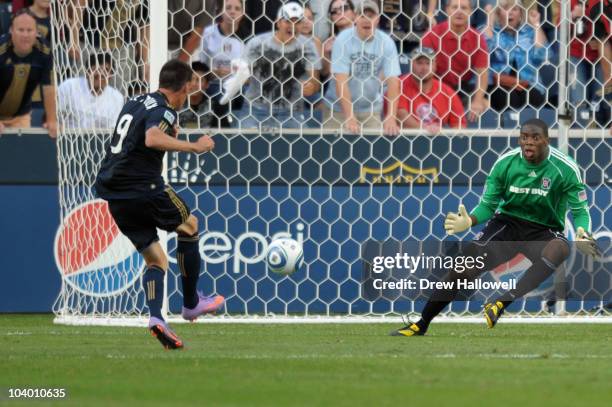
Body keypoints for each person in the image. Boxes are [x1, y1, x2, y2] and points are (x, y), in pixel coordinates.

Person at [391, 118, 600, 336]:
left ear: (546, 140)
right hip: (506, 225)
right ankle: (420, 324)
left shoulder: (565, 168)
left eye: (535, 138)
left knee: (560, 249)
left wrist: (581, 231)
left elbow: (580, 210)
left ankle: (500, 303)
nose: (528, 143)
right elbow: (488, 206)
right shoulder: (505, 163)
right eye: (524, 137)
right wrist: (470, 220)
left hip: (543, 230)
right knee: (462, 269)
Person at [94, 59, 224, 349]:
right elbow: (152, 138)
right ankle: (191, 303)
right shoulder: (165, 109)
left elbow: (138, 133)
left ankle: (156, 319)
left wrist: (169, 131)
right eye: (193, 85)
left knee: (156, 259)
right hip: (144, 186)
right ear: (186, 86)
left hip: (115, 192)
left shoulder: (135, 101)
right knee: (190, 225)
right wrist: (195, 146)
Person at [236, 2, 320, 129]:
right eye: (287, 21)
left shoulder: (308, 47)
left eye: (297, 22)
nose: (292, 26)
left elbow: (315, 82)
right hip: (255, 111)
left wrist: (311, 86)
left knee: (304, 146)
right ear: (278, 22)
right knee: (244, 144)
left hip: (292, 112)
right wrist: (240, 74)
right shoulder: (257, 44)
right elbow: (244, 77)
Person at [322, 0, 401, 135]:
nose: (366, 20)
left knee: (372, 153)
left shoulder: (387, 43)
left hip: (371, 110)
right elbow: (341, 81)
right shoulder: (343, 39)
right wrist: (349, 116)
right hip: (337, 109)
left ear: (378, 19)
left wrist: (391, 117)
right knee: (334, 153)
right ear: (355, 18)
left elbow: (393, 81)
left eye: (371, 16)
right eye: (362, 15)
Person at [422, 0, 489, 122]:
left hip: (462, 88)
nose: (459, 12)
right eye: (454, 7)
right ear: (447, 10)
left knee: (485, 104)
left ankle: (468, 139)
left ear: (470, 12)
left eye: (464, 8)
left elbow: (482, 73)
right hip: (436, 86)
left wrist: (477, 101)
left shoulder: (477, 38)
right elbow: (424, 72)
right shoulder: (431, 35)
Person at [482, 0, 549, 111]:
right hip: (499, 85)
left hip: (527, 84)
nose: (510, 13)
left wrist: (536, 24)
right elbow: (483, 51)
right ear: (498, 14)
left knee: (536, 99)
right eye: (506, 9)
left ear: (520, 15)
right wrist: (490, 20)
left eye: (514, 9)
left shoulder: (529, 32)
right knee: (509, 99)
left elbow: (542, 55)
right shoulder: (491, 31)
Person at [0, 9, 56, 137]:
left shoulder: (45, 51)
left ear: (37, 32)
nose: (25, 35)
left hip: (21, 117)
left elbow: (49, 88)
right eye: (20, 30)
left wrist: (52, 120)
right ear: (11, 31)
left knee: (21, 154)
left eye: (29, 30)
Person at [198, 0, 248, 127]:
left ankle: (244, 128)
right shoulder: (208, 33)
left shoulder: (247, 37)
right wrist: (213, 72)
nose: (232, 11)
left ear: (242, 13)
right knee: (221, 96)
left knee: (249, 95)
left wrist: (237, 75)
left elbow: (250, 72)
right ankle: (221, 133)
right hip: (213, 83)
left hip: (239, 85)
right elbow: (200, 67)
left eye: (237, 9)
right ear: (221, 11)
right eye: (228, 8)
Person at [396, 46, 465, 133]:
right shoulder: (398, 85)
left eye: (428, 63)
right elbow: (400, 114)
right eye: (419, 63)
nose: (424, 68)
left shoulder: (447, 92)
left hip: (438, 141)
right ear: (411, 64)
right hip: (404, 141)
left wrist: (443, 134)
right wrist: (425, 129)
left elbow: (459, 125)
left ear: (435, 66)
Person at [57, 51, 124, 129]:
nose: (100, 73)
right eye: (96, 69)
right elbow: (55, 116)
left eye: (106, 70)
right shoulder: (69, 87)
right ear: (87, 72)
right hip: (70, 138)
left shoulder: (117, 98)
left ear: (111, 75)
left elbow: (113, 129)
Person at [321, 0, 355, 79]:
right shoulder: (328, 43)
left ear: (354, 14)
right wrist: (325, 53)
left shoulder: (366, 36)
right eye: (334, 11)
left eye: (344, 8)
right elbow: (325, 74)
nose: (339, 13)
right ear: (331, 18)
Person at [178, 61, 214, 128]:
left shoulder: (214, 107)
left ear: (207, 84)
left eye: (199, 80)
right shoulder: (176, 106)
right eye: (190, 79)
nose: (193, 84)